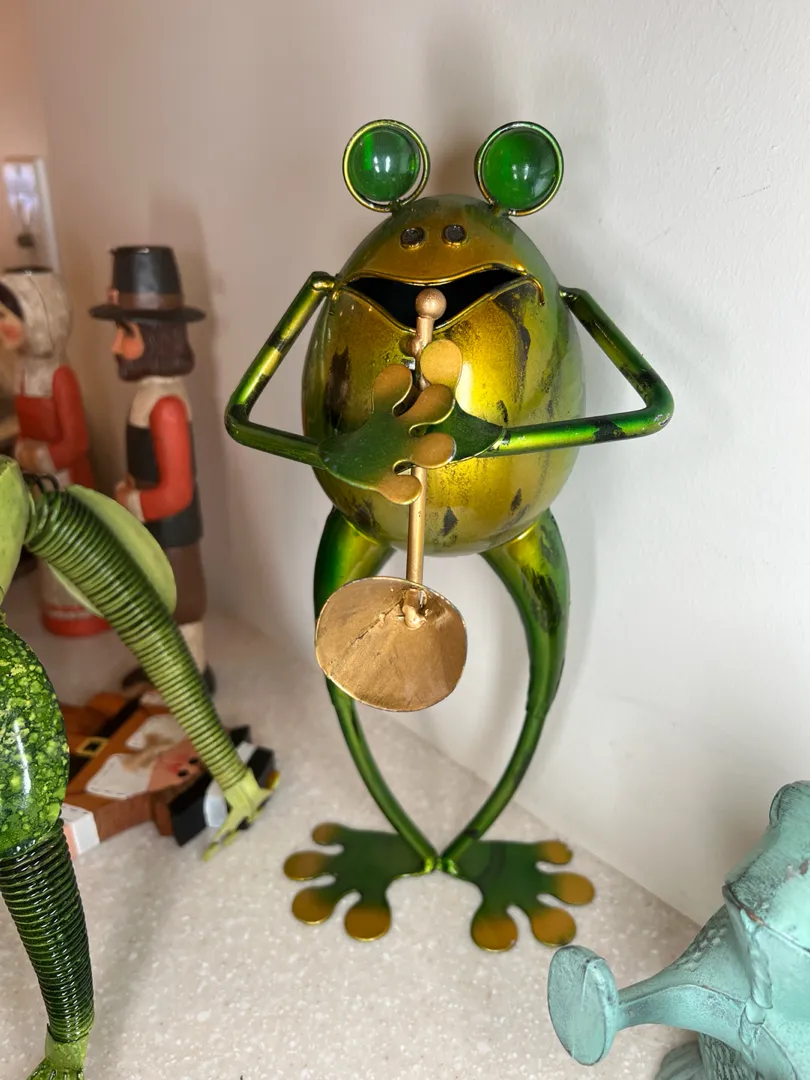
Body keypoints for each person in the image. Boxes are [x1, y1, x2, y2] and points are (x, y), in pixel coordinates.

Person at [89, 246, 214, 691]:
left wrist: (131, 500)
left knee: (179, 605)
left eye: (126, 333)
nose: (115, 347)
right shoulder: (150, 397)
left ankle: (190, 681)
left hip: (172, 531)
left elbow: (177, 491)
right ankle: (163, 673)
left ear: (157, 337)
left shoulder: (167, 406)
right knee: (154, 602)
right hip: (152, 528)